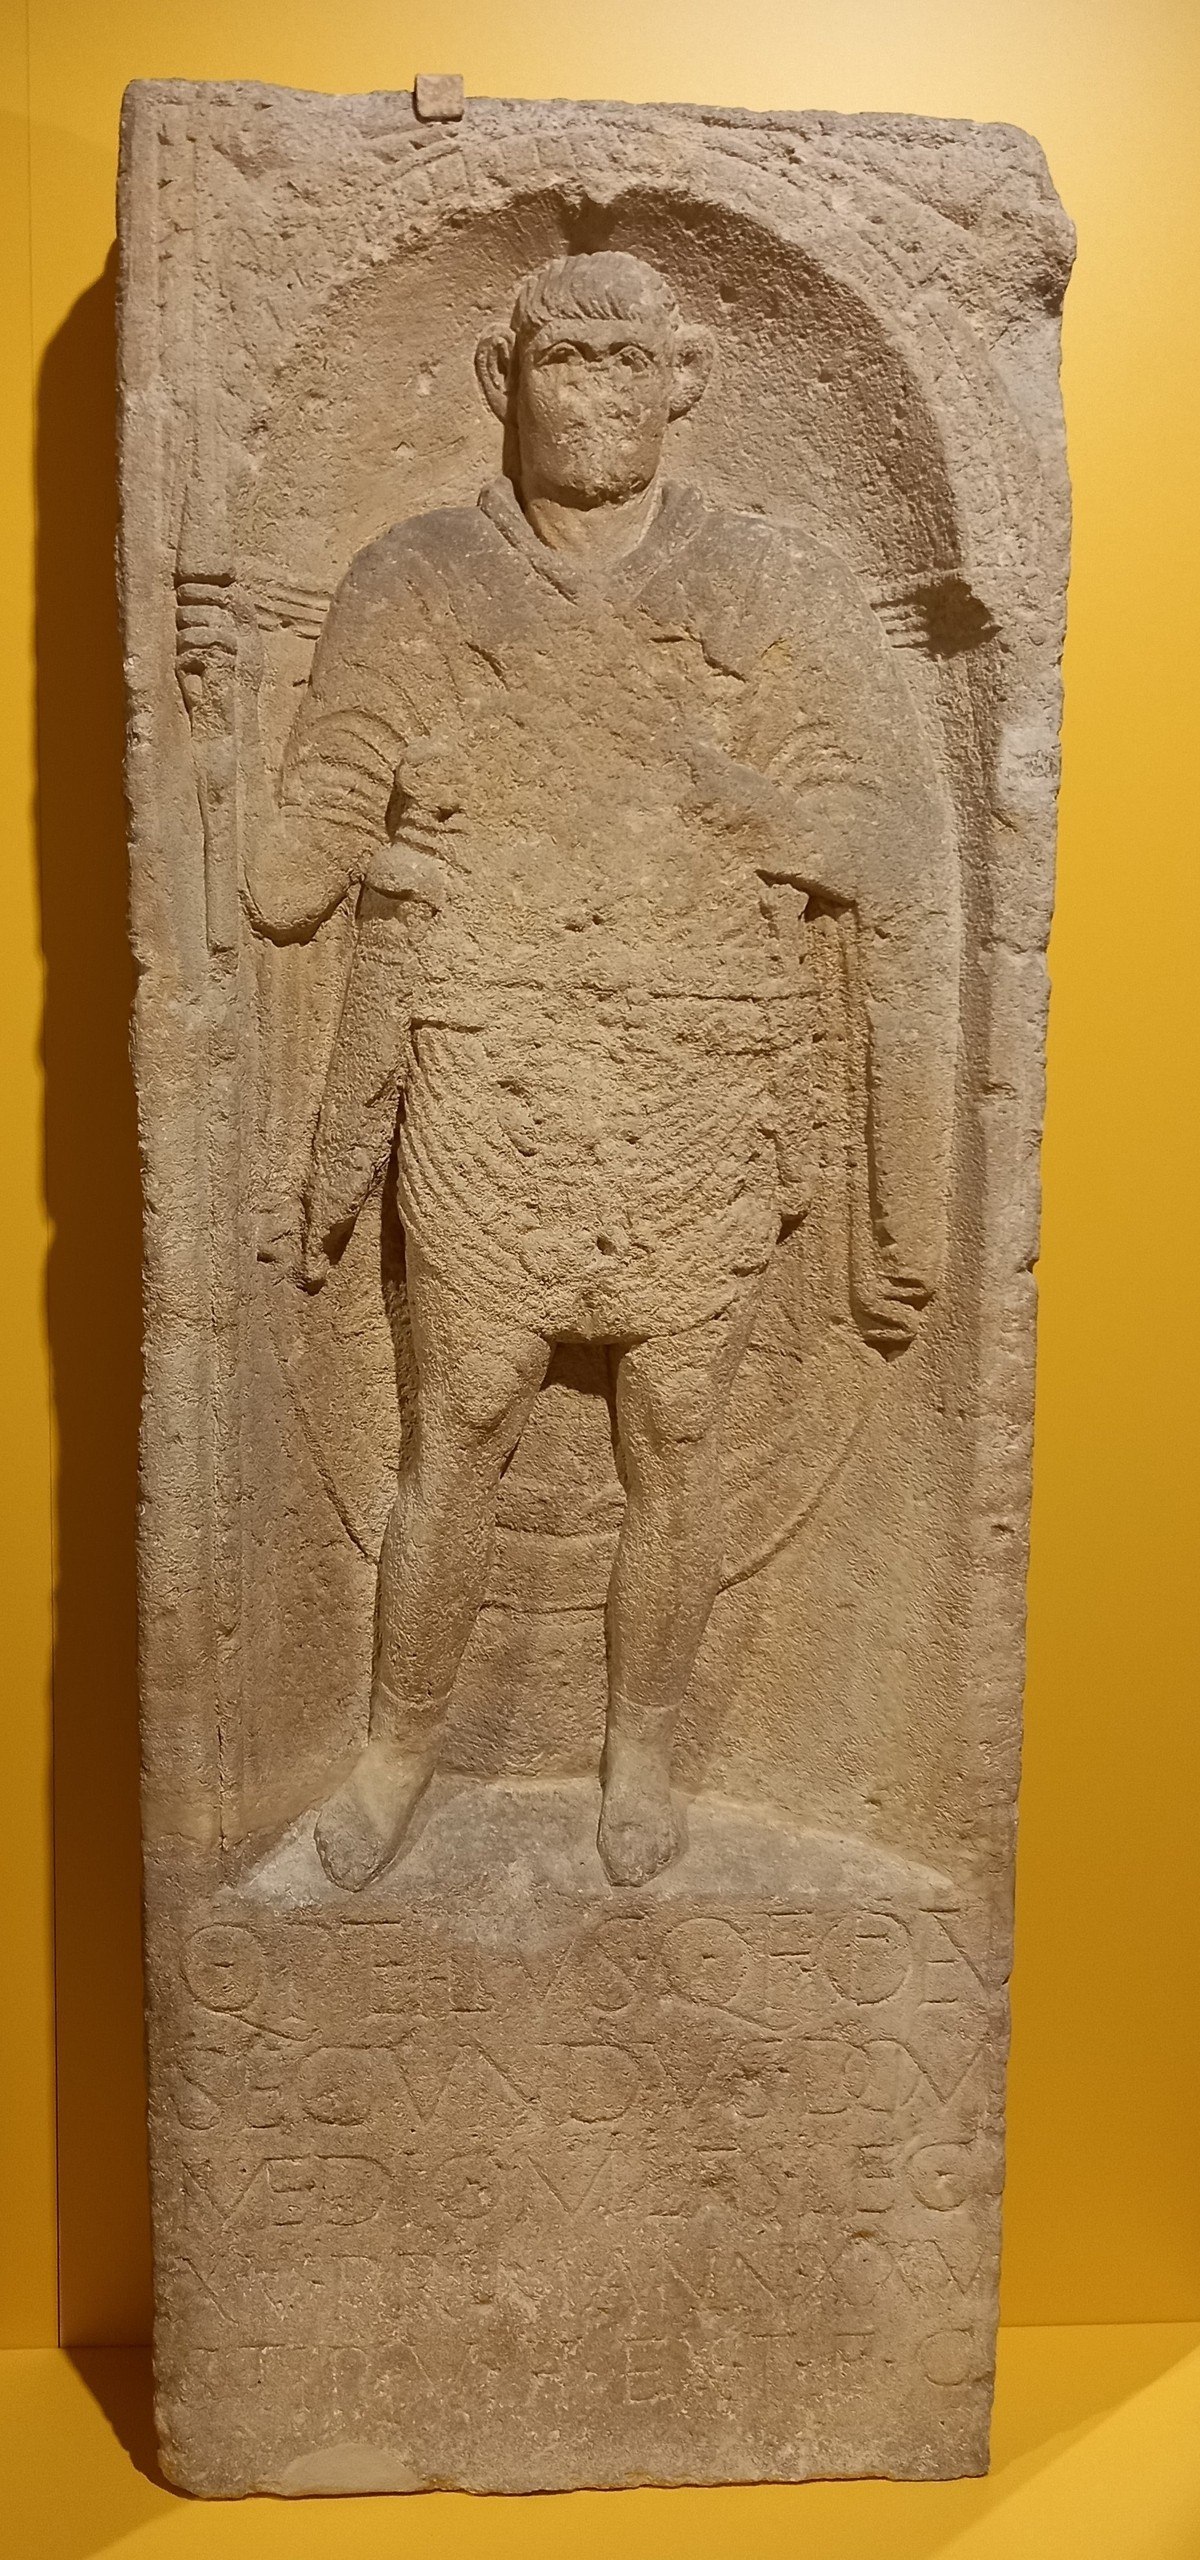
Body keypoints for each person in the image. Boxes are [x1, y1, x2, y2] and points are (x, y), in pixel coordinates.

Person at [176, 250, 954, 1893]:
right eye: (561, 360)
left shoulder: (771, 583)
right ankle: (394, 1752)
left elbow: (884, 841)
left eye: (623, 361)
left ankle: (643, 1748)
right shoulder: (414, 579)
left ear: (682, 380)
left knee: (676, 1429)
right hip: (490, 1058)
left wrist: (737, 804)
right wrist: (268, 793)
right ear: (500, 379)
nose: (592, 393)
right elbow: (296, 868)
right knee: (458, 1419)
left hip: (698, 1067)